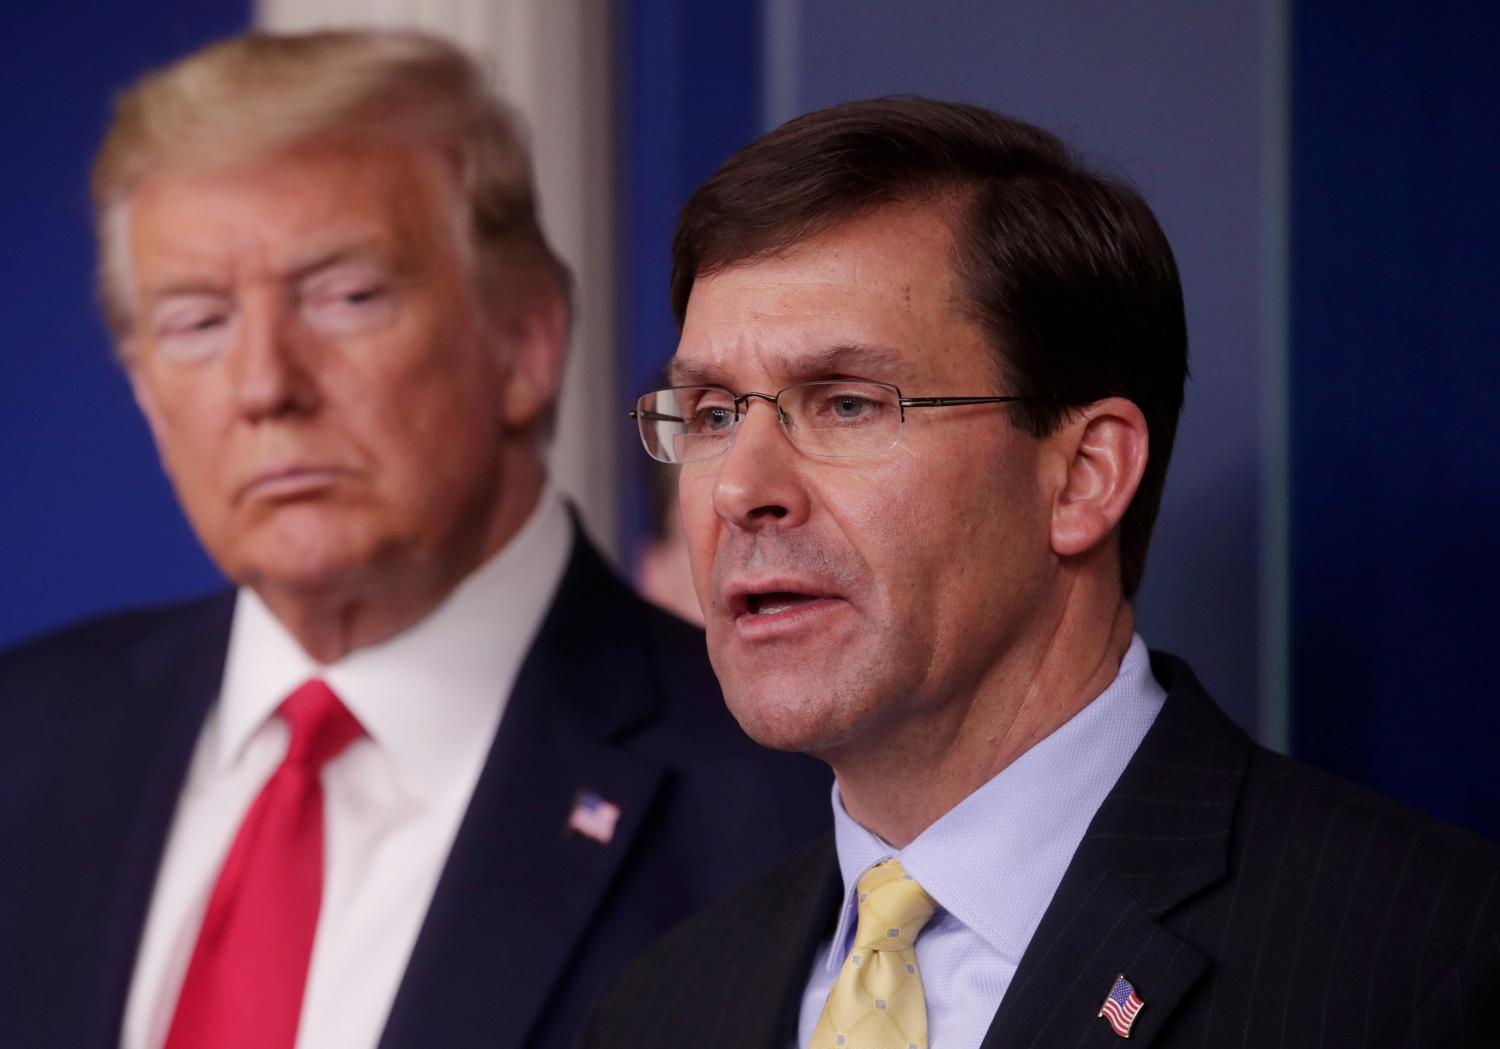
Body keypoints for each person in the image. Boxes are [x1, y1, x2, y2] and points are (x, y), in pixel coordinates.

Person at [584, 98, 1500, 1047]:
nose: (740, 488)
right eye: (713, 414)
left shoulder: (1425, 962)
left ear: (1083, 476)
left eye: (847, 404)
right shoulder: (658, 1010)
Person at [0, 29, 828, 1049]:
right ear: (144, 390)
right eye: (198, 323)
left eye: (344, 298)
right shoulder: (25, 740)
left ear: (525, 339)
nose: (266, 385)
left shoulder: (789, 796)